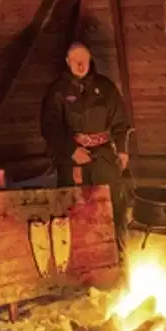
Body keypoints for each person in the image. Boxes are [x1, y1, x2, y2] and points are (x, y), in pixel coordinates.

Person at [40, 42, 132, 242]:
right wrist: (71, 150)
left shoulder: (106, 87)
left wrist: (122, 150)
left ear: (90, 60)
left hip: (103, 156)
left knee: (113, 203)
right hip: (72, 158)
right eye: (75, 61)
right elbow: (50, 127)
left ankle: (117, 249)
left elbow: (120, 122)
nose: (81, 66)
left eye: (84, 61)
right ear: (68, 62)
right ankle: (78, 253)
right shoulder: (58, 91)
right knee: (74, 205)